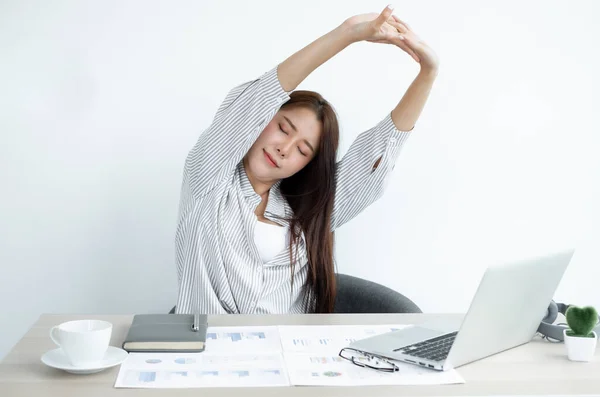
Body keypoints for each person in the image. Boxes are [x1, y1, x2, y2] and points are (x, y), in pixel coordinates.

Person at [174, 5, 439, 315]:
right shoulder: (209, 177)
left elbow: (375, 161)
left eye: (302, 151)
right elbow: (259, 97)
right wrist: (347, 33)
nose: (285, 148)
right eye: (283, 129)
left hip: (286, 355)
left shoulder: (307, 212)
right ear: (261, 120)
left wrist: (428, 73)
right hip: (209, 353)